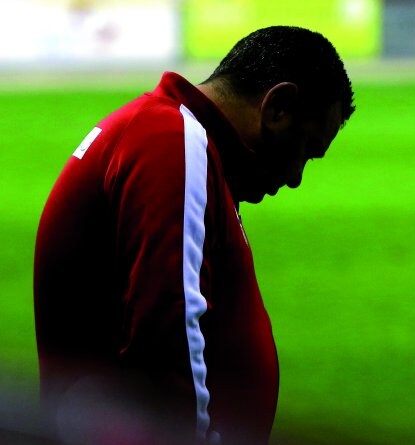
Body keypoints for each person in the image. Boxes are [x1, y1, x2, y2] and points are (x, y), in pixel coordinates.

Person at [34, 25, 355, 445]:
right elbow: (168, 337)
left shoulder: (170, 136)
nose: (295, 178)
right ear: (277, 107)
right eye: (306, 149)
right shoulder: (171, 140)